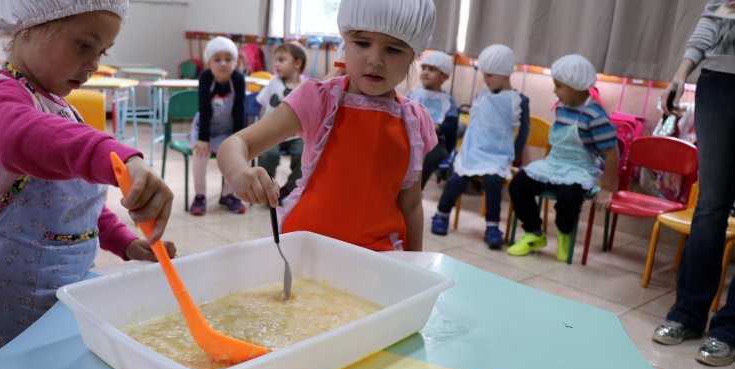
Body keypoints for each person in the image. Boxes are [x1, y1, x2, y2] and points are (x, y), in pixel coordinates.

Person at [0, 1, 175, 369]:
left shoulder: (63, 109)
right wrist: (116, 156)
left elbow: (78, 202)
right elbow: (29, 138)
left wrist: (125, 241)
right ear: (30, 29)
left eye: (101, 53)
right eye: (83, 46)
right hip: (9, 285)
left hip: (68, 279)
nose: (93, 65)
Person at [217, 0, 437, 252]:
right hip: (305, 247)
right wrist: (238, 173)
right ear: (345, 43)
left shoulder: (414, 121)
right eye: (362, 43)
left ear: (413, 55)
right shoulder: (318, 99)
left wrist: (417, 266)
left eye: (394, 49)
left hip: (377, 258)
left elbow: (411, 206)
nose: (375, 60)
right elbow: (236, 144)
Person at [652, 0, 735, 367]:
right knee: (710, 206)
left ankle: (729, 329)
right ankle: (687, 314)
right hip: (718, 83)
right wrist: (681, 71)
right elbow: (712, 19)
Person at [506, 54, 618, 262]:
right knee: (519, 185)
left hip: (580, 169)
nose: (554, 91)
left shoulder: (595, 116)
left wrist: (607, 188)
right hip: (554, 164)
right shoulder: (562, 106)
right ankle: (534, 233)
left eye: (558, 86)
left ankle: (564, 234)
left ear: (575, 87)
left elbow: (612, 152)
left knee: (568, 198)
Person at [428, 45, 530, 250]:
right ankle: (441, 215)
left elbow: (523, 131)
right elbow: (474, 124)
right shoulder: (481, 95)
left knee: (493, 183)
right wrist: (462, 151)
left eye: (490, 75)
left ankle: (492, 227)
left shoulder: (519, 100)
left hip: (497, 155)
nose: (486, 79)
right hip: (474, 151)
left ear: (505, 74)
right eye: (484, 74)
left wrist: (514, 158)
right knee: (456, 179)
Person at [189, 36, 247, 215]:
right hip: (204, 128)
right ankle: (200, 196)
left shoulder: (238, 79)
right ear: (209, 63)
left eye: (228, 59)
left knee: (236, 157)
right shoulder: (205, 78)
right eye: (217, 59)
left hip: (228, 130)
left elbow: (239, 110)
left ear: (235, 62)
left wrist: (238, 140)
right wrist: (203, 139)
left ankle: (228, 194)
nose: (223, 63)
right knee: (199, 155)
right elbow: (204, 108)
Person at [256, 42, 308, 201]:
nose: (276, 64)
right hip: (272, 132)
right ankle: (266, 190)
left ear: (297, 63)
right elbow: (263, 108)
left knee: (304, 155)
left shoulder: (306, 87)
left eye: (281, 60)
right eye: (275, 60)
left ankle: (289, 189)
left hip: (295, 135)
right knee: (269, 155)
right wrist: (259, 131)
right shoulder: (274, 82)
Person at [407, 50, 459, 190]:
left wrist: (436, 127)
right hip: (409, 136)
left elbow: (452, 126)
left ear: (444, 76)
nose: (425, 72)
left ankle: (415, 191)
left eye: (432, 69)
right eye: (423, 67)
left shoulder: (448, 101)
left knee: (426, 159)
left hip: (434, 142)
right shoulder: (413, 94)